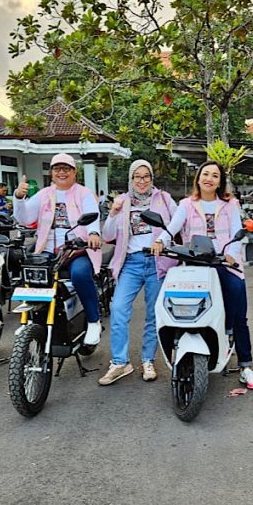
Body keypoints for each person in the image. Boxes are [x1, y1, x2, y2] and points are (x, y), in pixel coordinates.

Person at [151, 160, 253, 390]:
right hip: (193, 264)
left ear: (220, 182)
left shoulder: (230, 204)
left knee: (236, 293)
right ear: (198, 177)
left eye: (214, 175)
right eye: (205, 174)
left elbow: (236, 233)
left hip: (221, 263)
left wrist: (231, 254)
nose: (209, 178)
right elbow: (172, 227)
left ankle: (245, 364)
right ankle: (178, 344)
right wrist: (161, 241)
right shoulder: (186, 204)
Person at [98, 159, 177, 385]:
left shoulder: (163, 199)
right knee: (119, 308)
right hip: (131, 263)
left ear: (152, 178)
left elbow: (178, 224)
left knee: (154, 313)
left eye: (146, 176)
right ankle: (120, 362)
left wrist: (165, 241)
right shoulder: (122, 201)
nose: (142, 181)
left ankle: (148, 360)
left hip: (157, 262)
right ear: (131, 179)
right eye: (137, 177)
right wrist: (113, 213)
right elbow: (107, 234)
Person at [11, 153, 104, 345]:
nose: (61, 172)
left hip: (76, 249)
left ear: (74, 172)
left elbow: (92, 216)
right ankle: (30, 321)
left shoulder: (83, 193)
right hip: (47, 249)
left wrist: (93, 234)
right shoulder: (45, 194)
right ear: (51, 172)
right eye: (57, 169)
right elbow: (25, 218)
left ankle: (94, 321)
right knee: (31, 273)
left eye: (66, 169)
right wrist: (19, 197)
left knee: (79, 274)